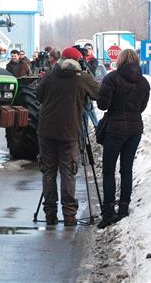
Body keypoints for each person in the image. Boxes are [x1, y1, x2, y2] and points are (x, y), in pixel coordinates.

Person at [36, 47, 99, 227]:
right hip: (69, 133)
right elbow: (99, 94)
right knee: (68, 172)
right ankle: (70, 216)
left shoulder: (49, 75)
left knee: (48, 172)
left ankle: (50, 214)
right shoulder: (82, 79)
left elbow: (38, 95)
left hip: (46, 131)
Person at [96, 49, 150, 229]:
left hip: (115, 129)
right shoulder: (143, 82)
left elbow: (103, 104)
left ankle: (109, 211)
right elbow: (142, 107)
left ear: (119, 60)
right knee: (127, 170)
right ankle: (124, 207)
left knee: (109, 170)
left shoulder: (111, 79)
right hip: (135, 128)